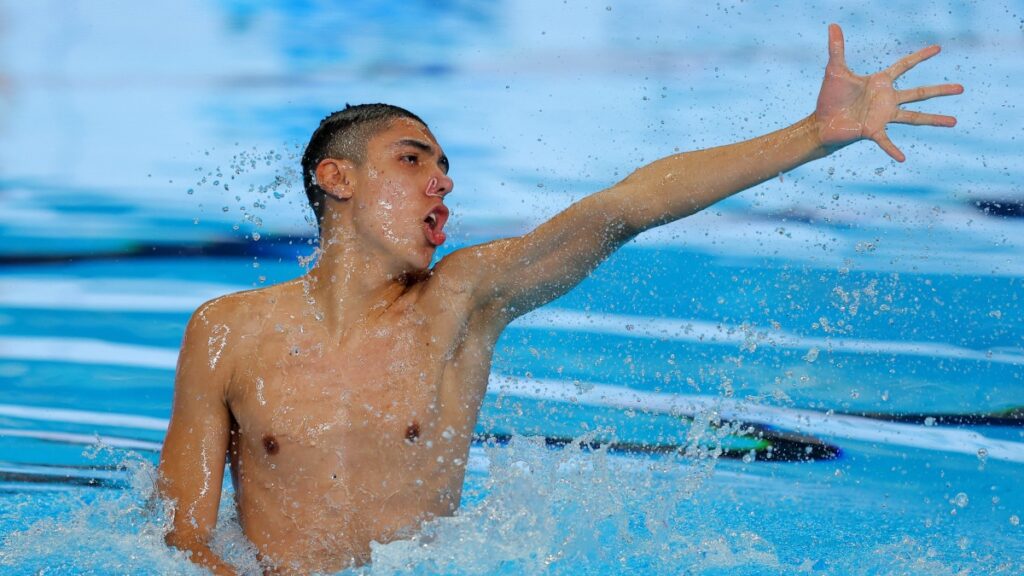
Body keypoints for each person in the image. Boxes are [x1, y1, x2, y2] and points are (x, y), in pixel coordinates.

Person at [157, 24, 962, 575]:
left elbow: (623, 209)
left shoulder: (460, 303)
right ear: (336, 180)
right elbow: (185, 538)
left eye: (445, 167)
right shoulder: (227, 332)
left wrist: (813, 135)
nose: (442, 182)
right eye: (412, 160)